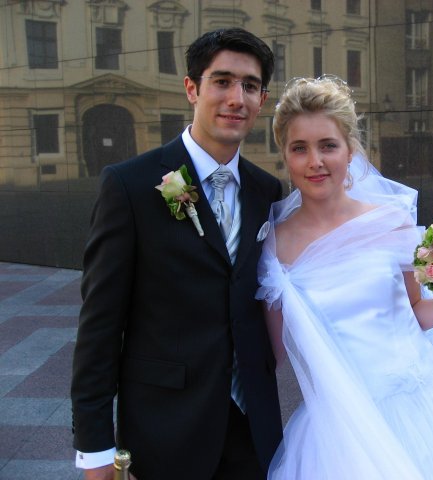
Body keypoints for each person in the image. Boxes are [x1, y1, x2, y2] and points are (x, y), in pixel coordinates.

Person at [256, 75, 433, 479]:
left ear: (350, 149)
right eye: (299, 148)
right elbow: (269, 355)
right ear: (285, 155)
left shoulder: (390, 222)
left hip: (428, 404)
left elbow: (412, 309)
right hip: (343, 426)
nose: (315, 161)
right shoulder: (274, 246)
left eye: (328, 145)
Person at [70, 28, 283, 480]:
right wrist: (94, 448)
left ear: (262, 100)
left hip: (253, 426)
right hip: (165, 427)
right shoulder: (129, 185)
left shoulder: (267, 191)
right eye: (221, 81)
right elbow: (99, 326)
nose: (236, 98)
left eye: (249, 86)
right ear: (192, 88)